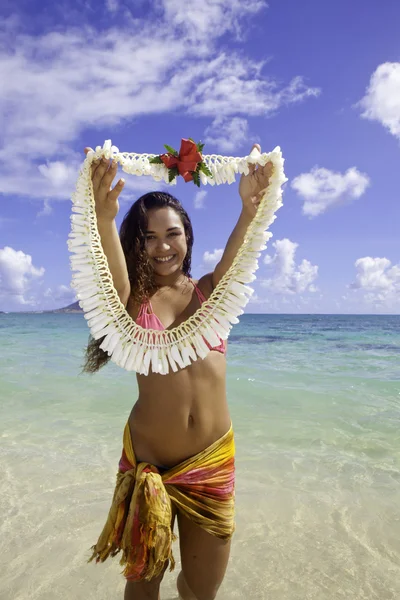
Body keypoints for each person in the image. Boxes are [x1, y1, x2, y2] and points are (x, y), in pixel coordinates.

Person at [82, 143, 273, 600]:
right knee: (143, 583)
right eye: (148, 237)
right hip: (150, 463)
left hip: (210, 463)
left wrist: (249, 207)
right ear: (137, 243)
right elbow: (113, 279)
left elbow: (238, 255)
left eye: (172, 234)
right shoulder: (132, 302)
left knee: (202, 588)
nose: (162, 246)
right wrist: (105, 218)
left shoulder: (211, 292)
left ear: (187, 237)